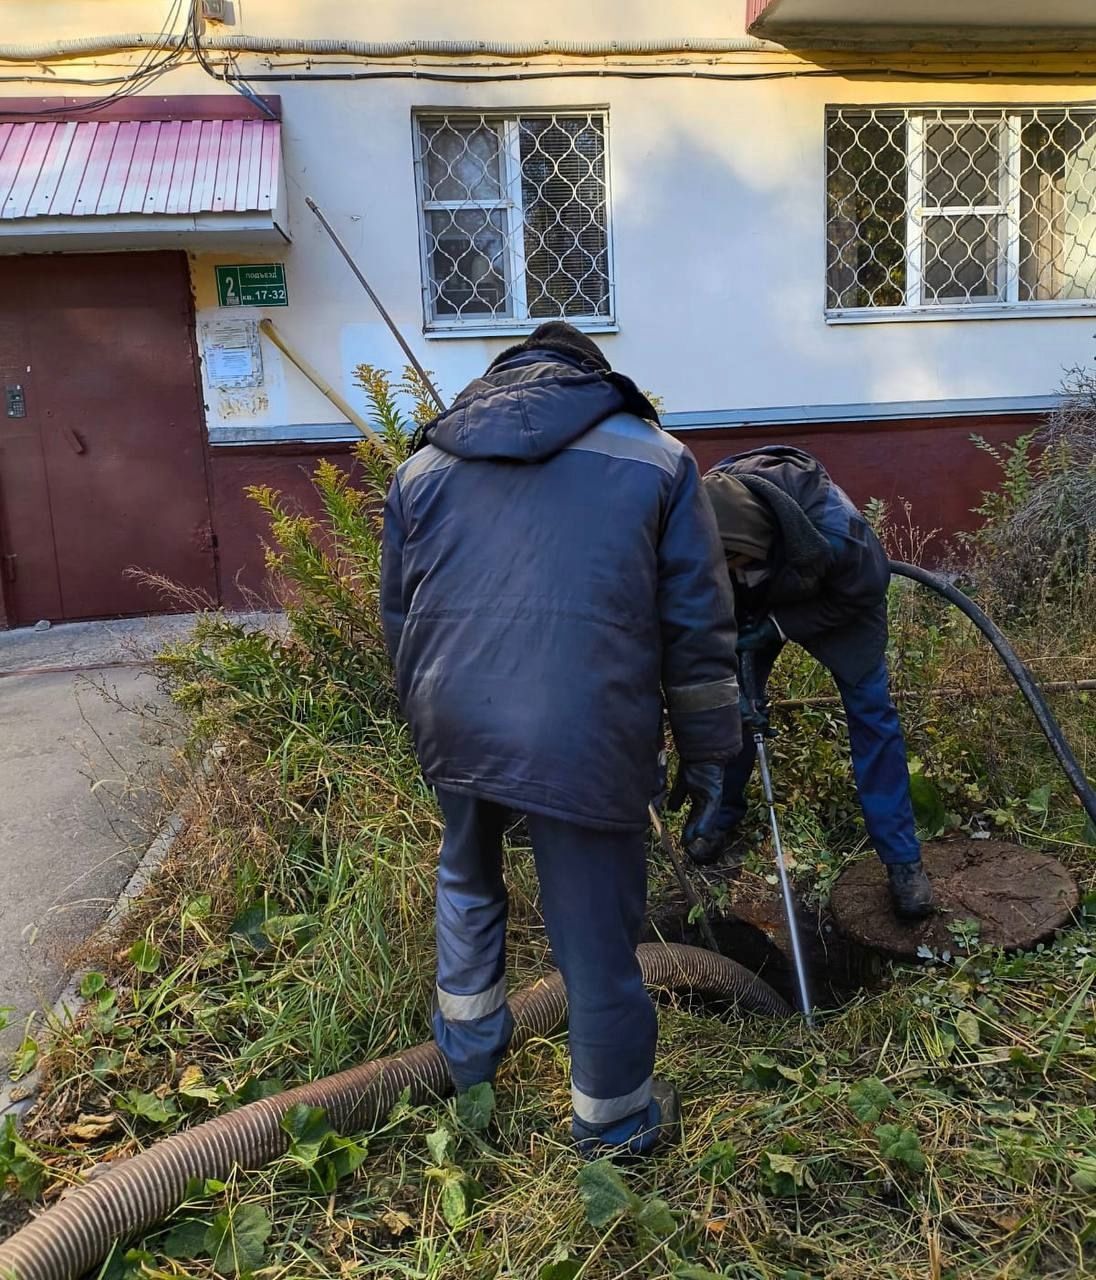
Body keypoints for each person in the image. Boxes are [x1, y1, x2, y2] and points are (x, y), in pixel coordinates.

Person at [380, 322, 741, 1157]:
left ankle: (470, 1071)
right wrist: (710, 752)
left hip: (454, 713)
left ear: (503, 377)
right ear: (591, 376)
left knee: (467, 883)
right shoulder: (657, 457)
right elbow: (695, 626)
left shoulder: (422, 465)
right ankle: (613, 1123)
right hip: (585, 725)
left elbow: (399, 618)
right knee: (592, 934)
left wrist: (428, 719)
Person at [696, 445, 934, 921]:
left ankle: (902, 860)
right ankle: (719, 819)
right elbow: (695, 611)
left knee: (872, 716)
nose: (729, 569)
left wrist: (781, 625)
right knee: (732, 708)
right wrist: (734, 688)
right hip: (754, 605)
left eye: (736, 560)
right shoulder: (702, 521)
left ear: (758, 539)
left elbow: (866, 587)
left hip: (839, 604)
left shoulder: (835, 530)